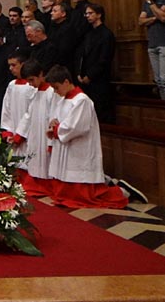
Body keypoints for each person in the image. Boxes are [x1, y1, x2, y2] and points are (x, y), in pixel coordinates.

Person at [45, 65, 128, 209]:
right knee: (68, 192)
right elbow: (59, 119)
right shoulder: (63, 99)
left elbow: (76, 126)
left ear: (66, 82)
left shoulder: (82, 100)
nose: (55, 92)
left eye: (56, 87)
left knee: (87, 196)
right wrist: (53, 123)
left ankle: (120, 192)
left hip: (80, 148)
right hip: (66, 146)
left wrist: (57, 129)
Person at [14, 59, 55, 197]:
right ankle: (36, 183)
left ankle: (46, 185)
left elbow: (54, 116)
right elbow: (28, 114)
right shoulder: (36, 93)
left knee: (46, 161)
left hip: (45, 135)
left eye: (32, 80)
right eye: (28, 81)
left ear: (41, 74)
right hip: (35, 134)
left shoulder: (51, 92)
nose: (30, 84)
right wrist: (19, 134)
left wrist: (51, 142)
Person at [74, 3, 116, 124]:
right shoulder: (88, 34)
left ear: (99, 15)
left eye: (90, 13)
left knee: (100, 112)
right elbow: (81, 55)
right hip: (85, 79)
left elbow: (104, 58)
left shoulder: (106, 34)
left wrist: (90, 75)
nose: (87, 16)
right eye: (86, 13)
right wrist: (79, 73)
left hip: (99, 79)